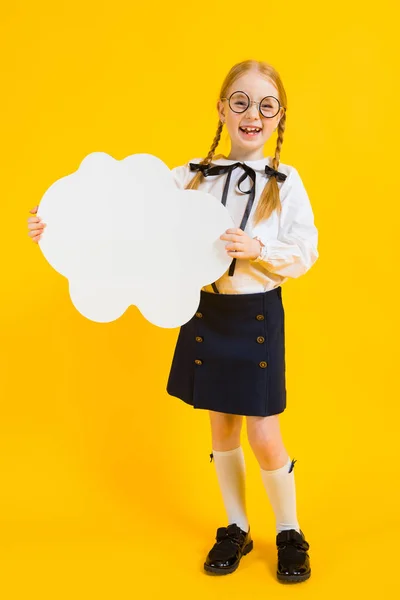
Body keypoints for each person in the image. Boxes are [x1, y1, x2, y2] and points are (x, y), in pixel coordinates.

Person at [27, 59, 318, 584]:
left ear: (279, 117)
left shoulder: (287, 181)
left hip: (255, 313)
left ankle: (289, 530)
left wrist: (258, 248)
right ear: (222, 109)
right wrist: (59, 224)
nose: (253, 114)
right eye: (241, 101)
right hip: (205, 311)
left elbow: (305, 252)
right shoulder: (189, 176)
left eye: (266, 105)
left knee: (265, 433)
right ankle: (235, 526)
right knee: (222, 427)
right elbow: (126, 215)